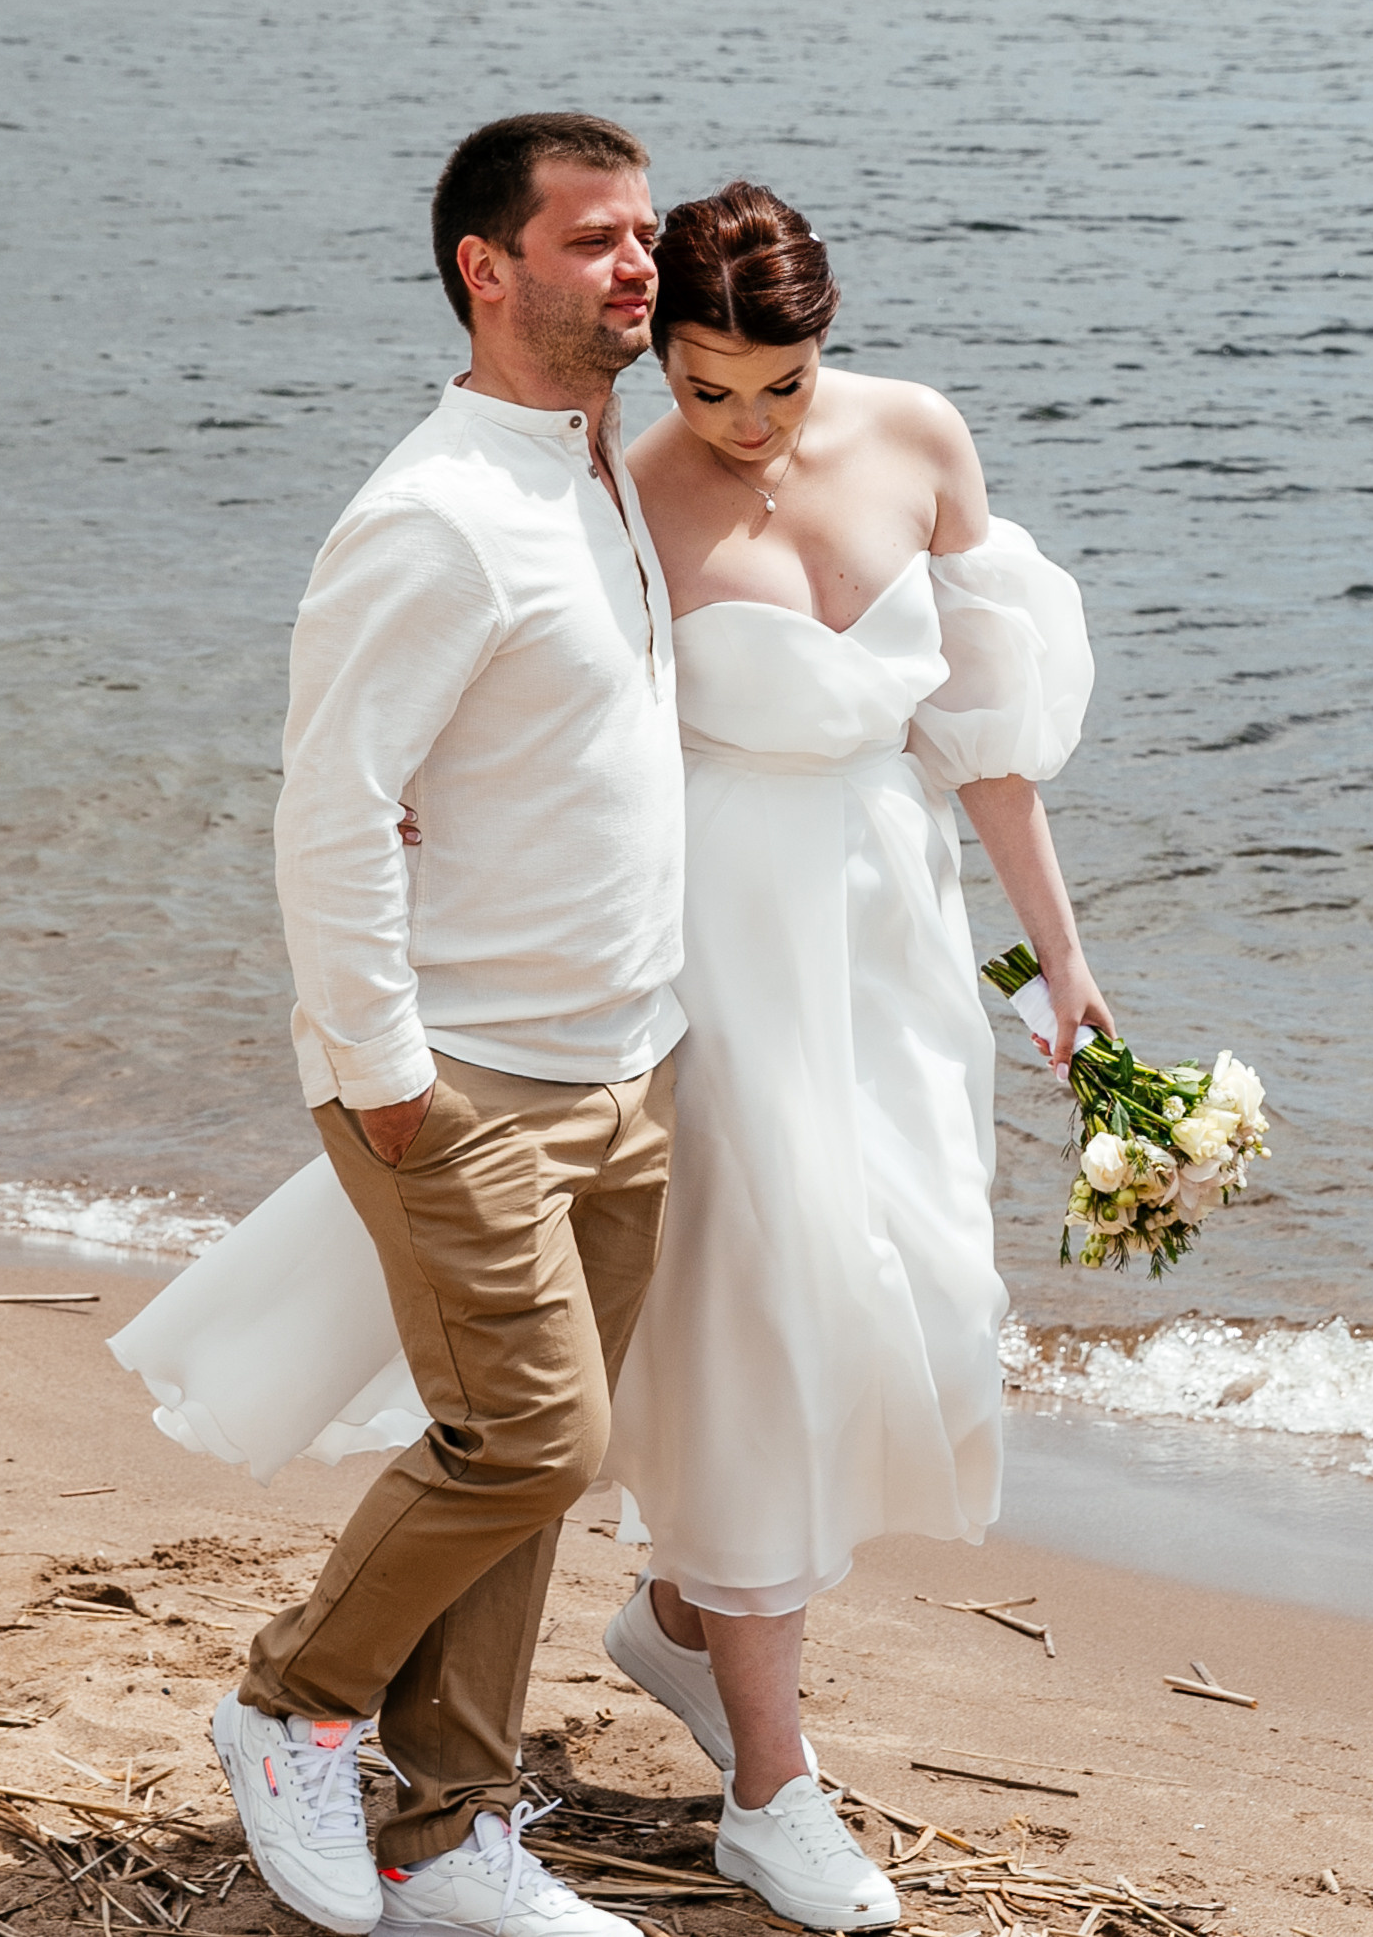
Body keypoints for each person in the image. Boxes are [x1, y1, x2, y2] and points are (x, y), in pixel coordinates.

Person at [595, 180, 1109, 1932]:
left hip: (886, 929)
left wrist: (1058, 959)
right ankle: (769, 1789)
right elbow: (562, 739)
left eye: (780, 386)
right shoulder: (619, 488)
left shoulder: (918, 438)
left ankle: (681, 1620)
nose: (743, 425)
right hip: (716, 938)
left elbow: (981, 738)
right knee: (770, 1308)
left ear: (828, 345)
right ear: (657, 354)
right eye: (705, 388)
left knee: (917, 1290)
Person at [201, 112, 686, 1937]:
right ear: (486, 270)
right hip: (464, 1079)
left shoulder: (599, 469)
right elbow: (329, 807)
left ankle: (444, 1829)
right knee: (526, 1443)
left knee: (536, 1477)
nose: (636, 266)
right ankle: (290, 1704)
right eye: (593, 240)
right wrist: (386, 1077)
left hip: (624, 1062)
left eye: (644, 234)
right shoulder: (435, 515)